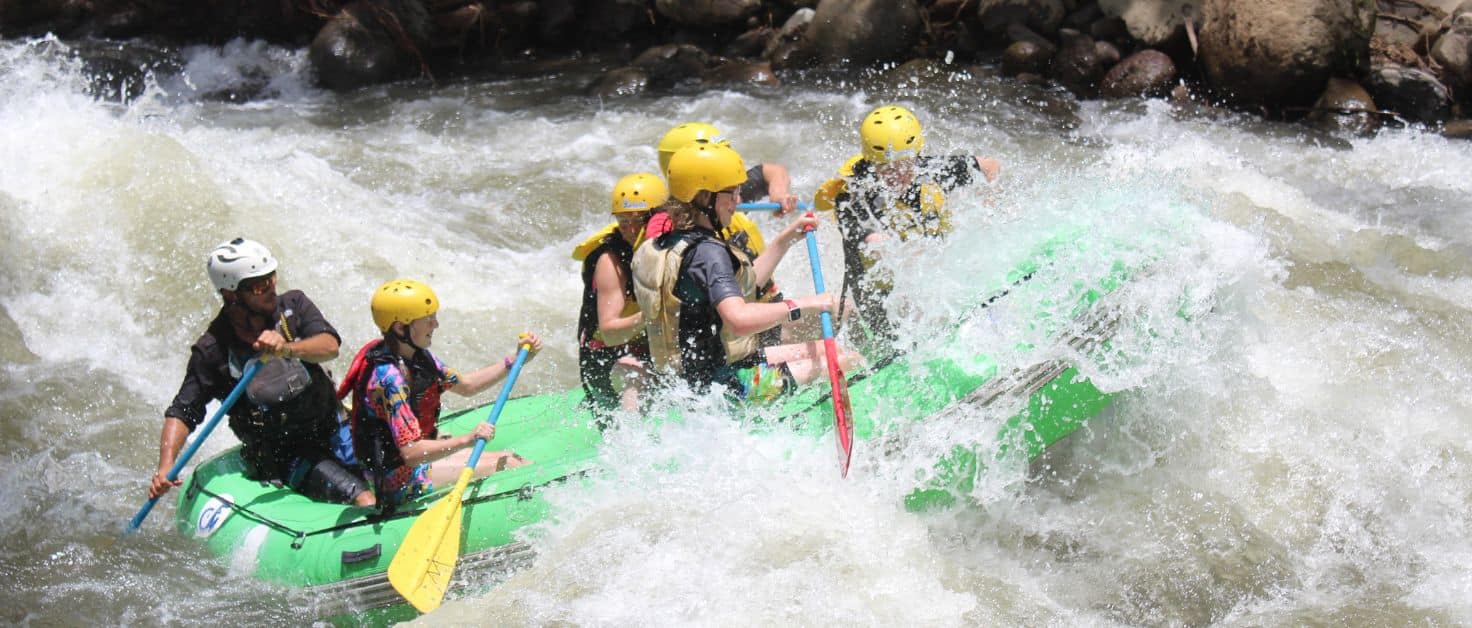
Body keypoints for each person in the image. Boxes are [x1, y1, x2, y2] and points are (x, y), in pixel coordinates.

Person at [148, 238, 373, 507]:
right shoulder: (213, 350)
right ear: (232, 294)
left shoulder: (294, 307)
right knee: (364, 498)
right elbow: (183, 412)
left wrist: (287, 349)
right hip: (288, 454)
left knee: (398, 474)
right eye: (258, 285)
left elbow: (329, 346)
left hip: (335, 426)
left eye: (271, 279)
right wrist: (166, 466)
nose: (270, 289)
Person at [632, 141, 858, 399]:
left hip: (691, 379)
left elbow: (743, 288)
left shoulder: (670, 242)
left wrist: (784, 239)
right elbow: (739, 320)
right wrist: (806, 304)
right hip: (725, 387)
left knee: (830, 349)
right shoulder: (708, 253)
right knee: (847, 359)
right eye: (731, 192)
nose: (737, 201)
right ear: (705, 197)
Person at [337, 279, 539, 507]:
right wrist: (467, 439)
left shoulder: (416, 356)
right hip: (397, 481)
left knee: (508, 456)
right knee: (509, 463)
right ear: (400, 328)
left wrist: (515, 361)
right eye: (428, 319)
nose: (436, 324)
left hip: (413, 464)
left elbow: (467, 385)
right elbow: (411, 453)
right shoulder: (388, 379)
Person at [828, 104, 1001, 348]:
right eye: (885, 168)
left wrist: (990, 204)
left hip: (929, 276)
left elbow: (989, 165)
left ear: (916, 156)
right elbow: (871, 243)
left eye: (903, 165)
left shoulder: (929, 169)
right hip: (878, 294)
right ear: (872, 161)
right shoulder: (852, 195)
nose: (896, 175)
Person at [573, 172, 666, 416]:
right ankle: (632, 447)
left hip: (645, 348)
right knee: (635, 373)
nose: (631, 230)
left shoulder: (670, 247)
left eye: (638, 220)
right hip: (605, 358)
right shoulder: (610, 261)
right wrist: (652, 313)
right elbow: (610, 332)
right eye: (623, 221)